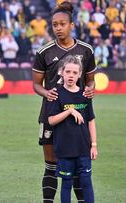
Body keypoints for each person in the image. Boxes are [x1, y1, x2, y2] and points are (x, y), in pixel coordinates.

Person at [32, 2, 96, 203]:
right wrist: (47, 92)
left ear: (71, 25)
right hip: (52, 115)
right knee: (51, 164)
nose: (58, 28)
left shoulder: (86, 50)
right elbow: (36, 85)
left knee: (78, 164)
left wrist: (91, 87)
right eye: (54, 25)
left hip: (78, 115)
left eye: (62, 24)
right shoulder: (44, 52)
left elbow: (90, 79)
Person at [47, 55, 97, 203]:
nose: (71, 75)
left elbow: (91, 120)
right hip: (65, 148)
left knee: (86, 183)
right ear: (62, 72)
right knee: (66, 184)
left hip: (83, 148)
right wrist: (69, 111)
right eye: (68, 72)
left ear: (80, 74)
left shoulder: (85, 94)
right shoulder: (56, 94)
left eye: (75, 73)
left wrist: (93, 145)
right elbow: (51, 120)